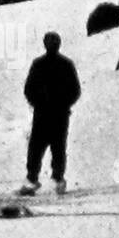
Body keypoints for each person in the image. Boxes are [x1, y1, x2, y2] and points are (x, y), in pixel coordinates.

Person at [20, 31, 81, 195]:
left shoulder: (49, 64)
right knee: (48, 148)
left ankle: (41, 180)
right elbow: (29, 89)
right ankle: (50, 180)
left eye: (54, 42)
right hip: (52, 114)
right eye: (50, 42)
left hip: (50, 114)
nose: (52, 45)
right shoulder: (58, 64)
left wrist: (42, 104)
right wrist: (43, 104)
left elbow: (75, 90)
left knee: (47, 148)